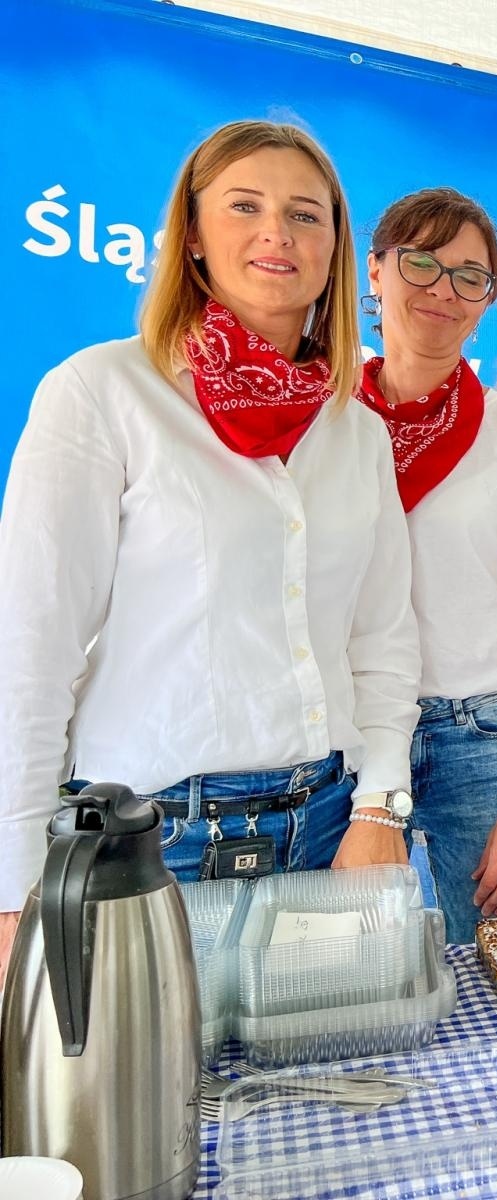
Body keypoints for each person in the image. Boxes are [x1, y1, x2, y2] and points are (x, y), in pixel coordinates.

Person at [0, 121, 421, 966]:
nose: (277, 231)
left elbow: (383, 643)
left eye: (307, 214)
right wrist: (13, 893)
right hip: (150, 851)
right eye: (244, 205)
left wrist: (381, 810)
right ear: (191, 235)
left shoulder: (357, 431)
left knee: (325, 1091)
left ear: (336, 250)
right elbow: (31, 650)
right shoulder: (102, 394)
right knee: (146, 1098)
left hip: (326, 836)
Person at [357, 188, 497, 941]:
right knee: (344, 975)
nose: (442, 290)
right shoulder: (322, 417)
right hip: (349, 737)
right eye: (421, 263)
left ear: (490, 297)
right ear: (376, 271)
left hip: (484, 736)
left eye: (470, 276)